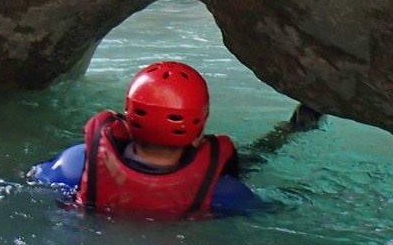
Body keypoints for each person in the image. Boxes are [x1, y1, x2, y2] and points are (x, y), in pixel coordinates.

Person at [31, 60, 268, 218]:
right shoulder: (223, 191)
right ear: (197, 132)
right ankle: (286, 131)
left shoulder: (78, 163)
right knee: (254, 159)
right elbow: (268, 212)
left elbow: (35, 179)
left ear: (127, 118)